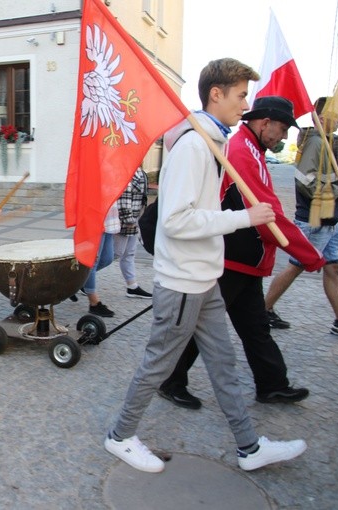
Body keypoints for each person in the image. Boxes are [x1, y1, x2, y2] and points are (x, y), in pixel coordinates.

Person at [103, 58, 306, 473]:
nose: (245, 103)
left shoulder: (212, 141)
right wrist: (243, 218)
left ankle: (249, 447)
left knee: (223, 361)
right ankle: (120, 436)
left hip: (205, 278)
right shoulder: (195, 146)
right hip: (182, 284)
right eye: (241, 94)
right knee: (158, 363)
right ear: (217, 93)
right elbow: (176, 221)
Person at [157, 96, 325, 410]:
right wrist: (309, 253)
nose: (284, 136)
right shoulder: (241, 151)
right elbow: (266, 215)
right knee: (200, 325)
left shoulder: (251, 149)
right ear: (266, 123)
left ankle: (272, 383)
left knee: (255, 325)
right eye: (283, 128)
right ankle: (170, 380)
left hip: (245, 260)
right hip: (232, 258)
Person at [264, 97, 338, 336]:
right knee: (296, 267)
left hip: (330, 220)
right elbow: (305, 182)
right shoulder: (316, 144)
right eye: (334, 116)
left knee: (333, 269)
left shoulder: (324, 143)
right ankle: (263, 311)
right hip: (314, 220)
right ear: (320, 118)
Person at [73, 204, 119, 318]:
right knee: (92, 261)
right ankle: (94, 303)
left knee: (107, 258)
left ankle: (76, 281)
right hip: (96, 216)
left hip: (109, 218)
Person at [114, 167, 152, 299]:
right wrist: (128, 219)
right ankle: (85, 279)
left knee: (129, 253)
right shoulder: (126, 169)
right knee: (114, 253)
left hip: (135, 218)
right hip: (126, 220)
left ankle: (132, 286)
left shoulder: (139, 170)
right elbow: (123, 197)